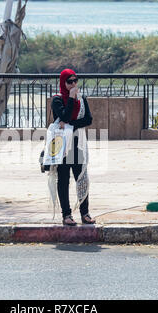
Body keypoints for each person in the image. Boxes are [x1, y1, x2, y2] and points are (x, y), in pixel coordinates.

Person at [49, 69, 96, 226]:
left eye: (75, 80)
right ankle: (66, 215)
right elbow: (65, 115)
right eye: (70, 81)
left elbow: (88, 119)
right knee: (63, 180)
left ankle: (85, 213)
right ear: (63, 83)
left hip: (78, 144)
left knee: (82, 178)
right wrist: (70, 98)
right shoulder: (57, 100)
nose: (74, 84)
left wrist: (71, 124)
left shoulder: (82, 99)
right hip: (63, 145)